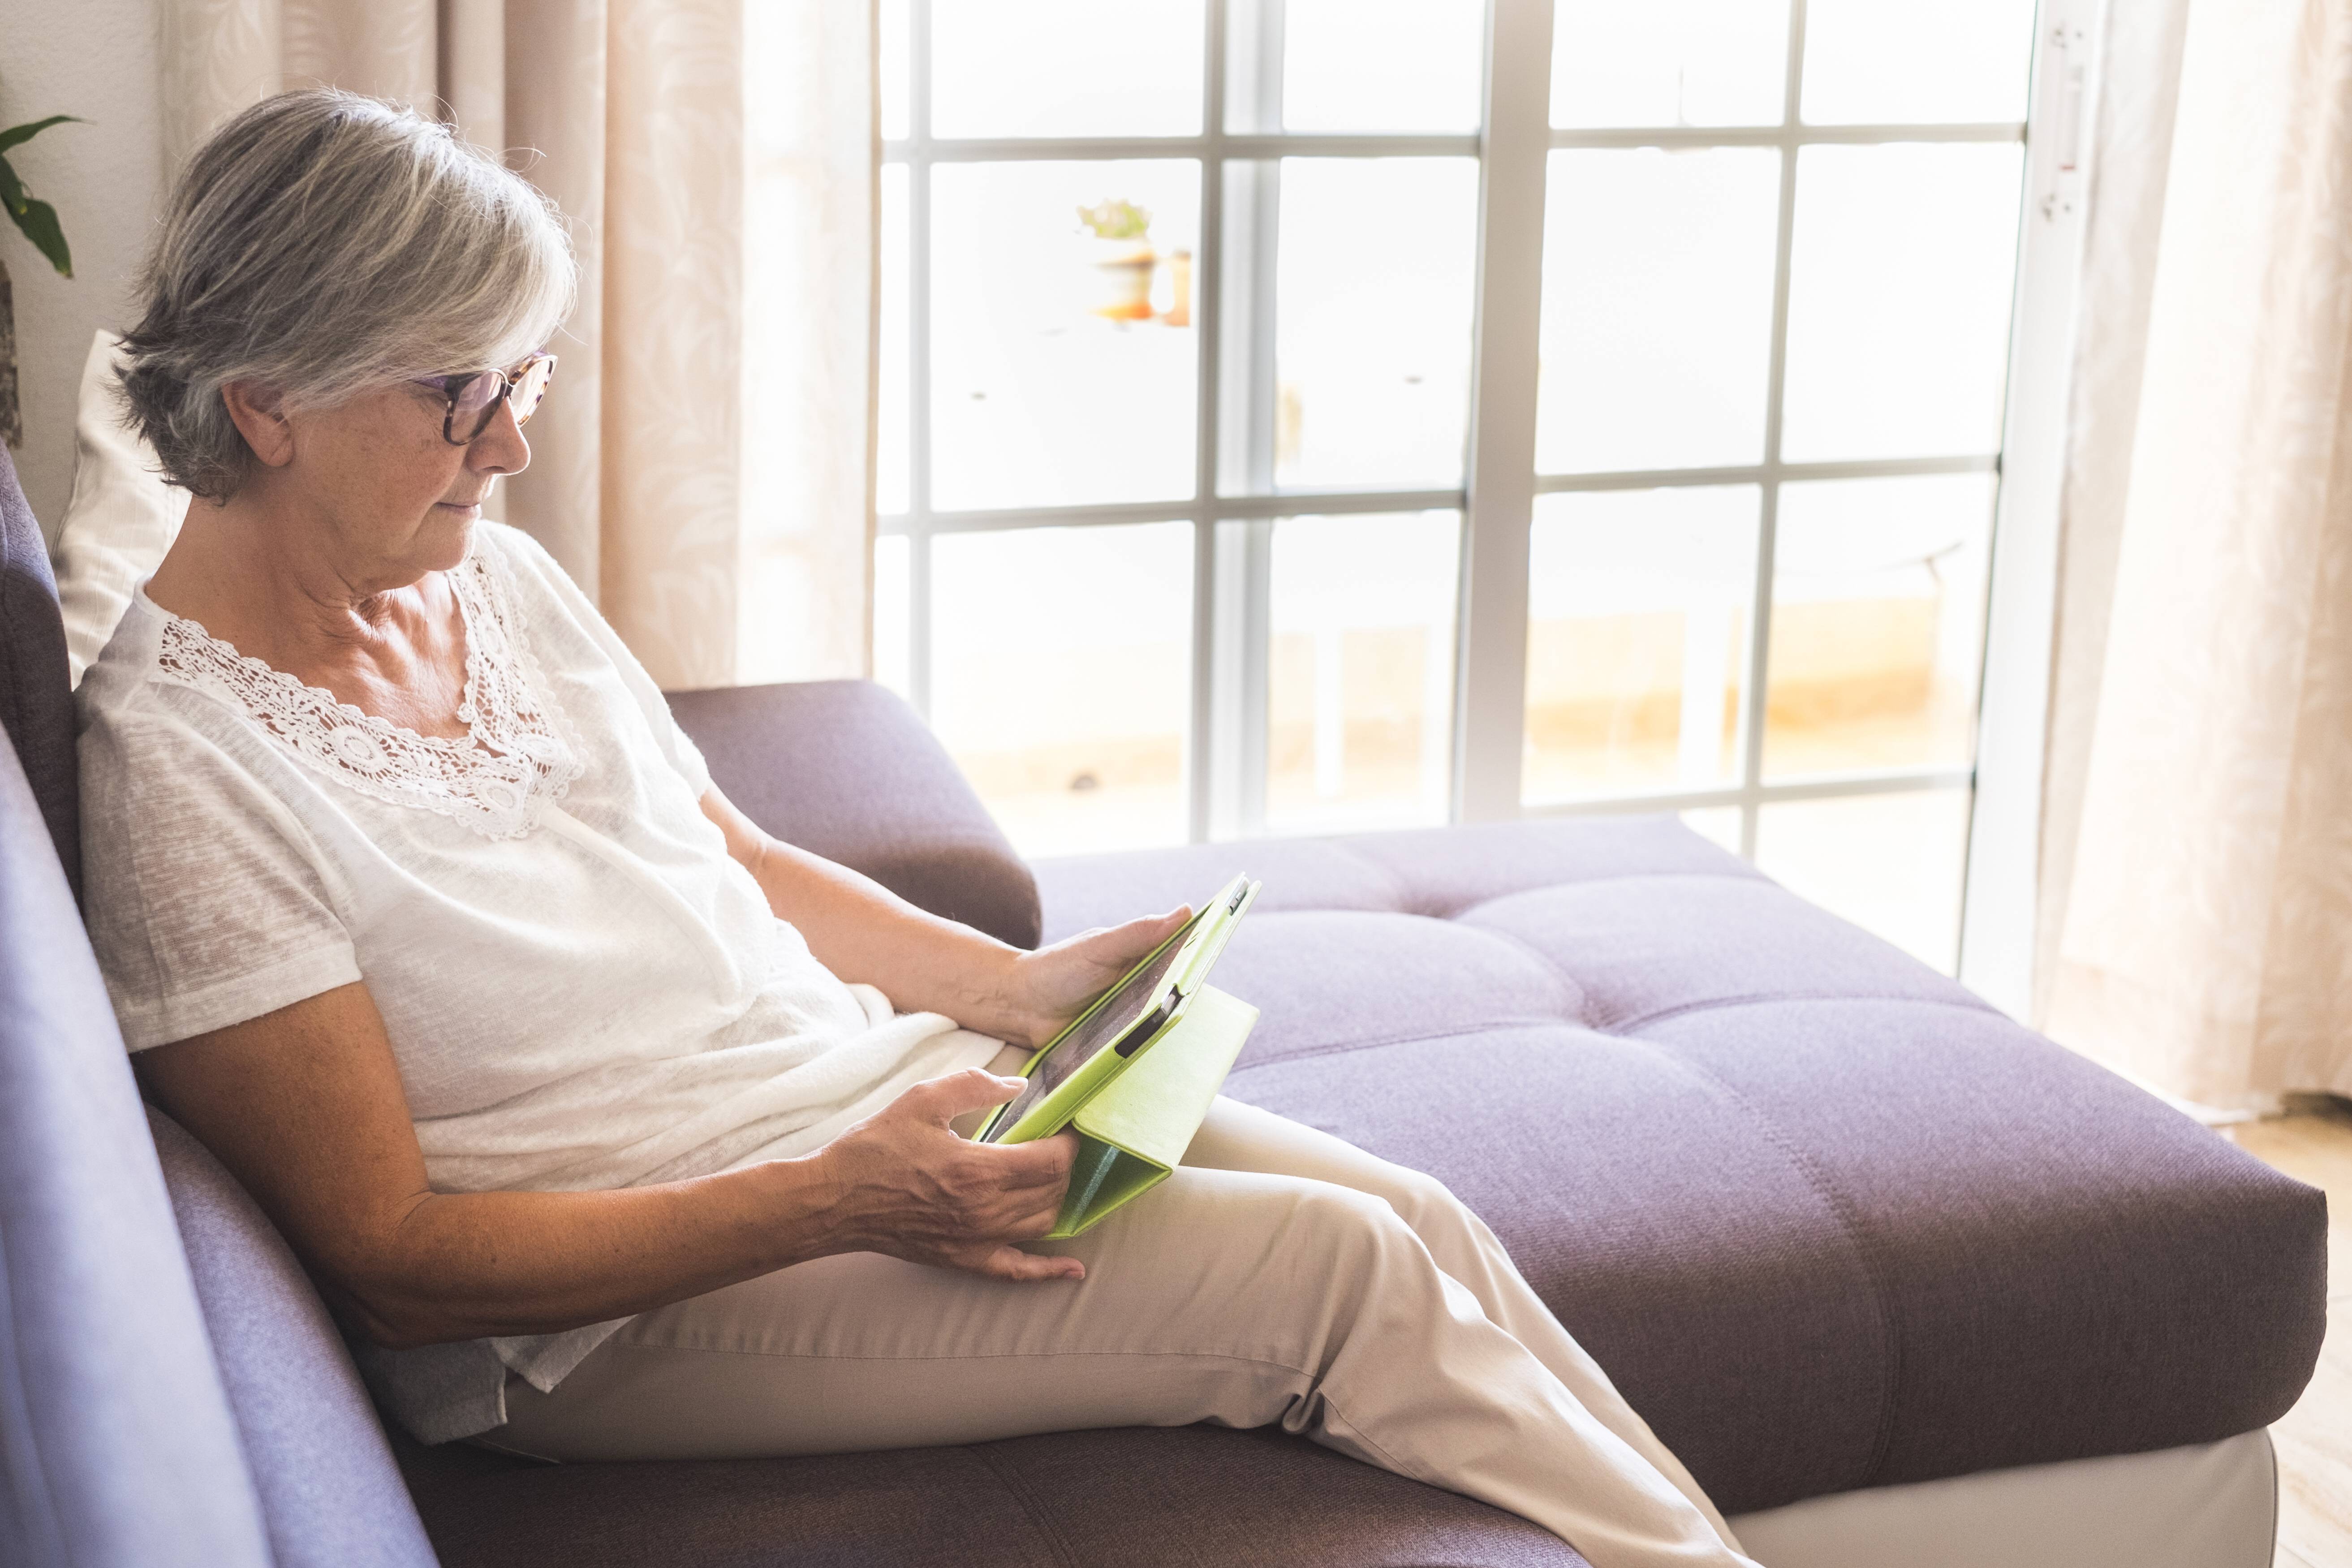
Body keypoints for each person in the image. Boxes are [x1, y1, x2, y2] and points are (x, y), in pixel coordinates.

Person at [81, 88, 1756, 1568]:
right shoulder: (184, 777)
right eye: (461, 395)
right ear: (267, 404)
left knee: (1422, 1212)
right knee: (1337, 1272)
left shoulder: (485, 577)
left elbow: (725, 853)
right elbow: (399, 1265)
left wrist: (1015, 994)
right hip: (620, 1310)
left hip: (861, 1110)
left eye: (522, 378)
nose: (512, 445)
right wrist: (841, 1199)